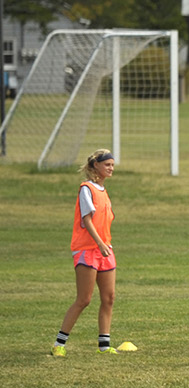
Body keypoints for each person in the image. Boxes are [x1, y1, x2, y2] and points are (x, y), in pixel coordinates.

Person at [52, 149, 137, 356]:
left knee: (109, 298)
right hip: (87, 250)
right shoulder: (86, 189)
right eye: (107, 164)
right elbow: (87, 220)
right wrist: (99, 243)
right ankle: (59, 344)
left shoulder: (103, 191)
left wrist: (104, 245)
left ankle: (104, 346)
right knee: (84, 299)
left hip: (105, 249)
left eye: (112, 165)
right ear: (95, 166)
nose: (111, 168)